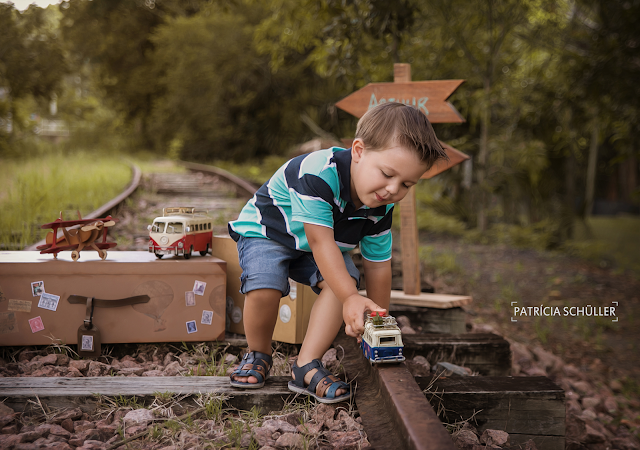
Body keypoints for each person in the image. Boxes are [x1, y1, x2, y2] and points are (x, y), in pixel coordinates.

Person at [227, 102, 448, 403]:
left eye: (406, 184)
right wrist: (351, 298)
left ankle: (305, 365)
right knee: (266, 283)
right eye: (386, 174)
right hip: (271, 232)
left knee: (344, 282)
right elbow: (321, 243)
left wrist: (375, 318)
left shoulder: (382, 205)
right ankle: (258, 353)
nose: (392, 190)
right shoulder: (319, 174)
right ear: (358, 151)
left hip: (317, 243)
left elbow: (379, 265)